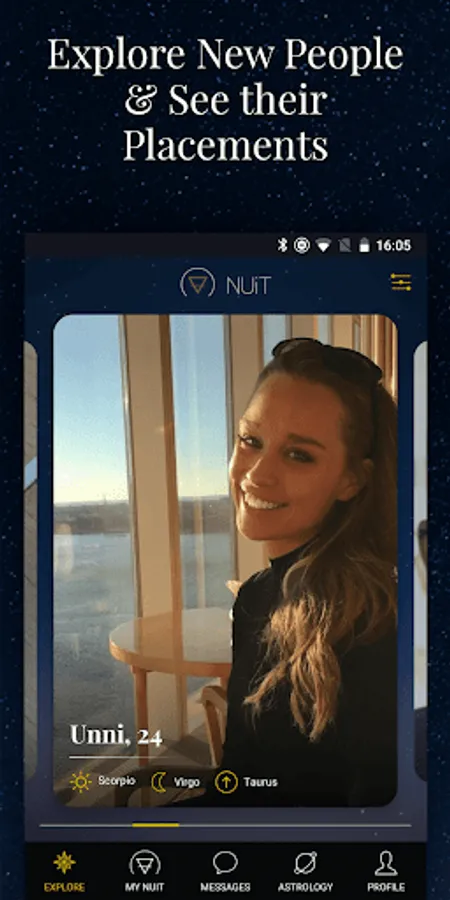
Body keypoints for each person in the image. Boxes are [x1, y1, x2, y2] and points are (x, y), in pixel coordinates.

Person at [183, 337, 398, 807]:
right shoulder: (256, 597)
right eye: (250, 441)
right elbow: (240, 778)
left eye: (299, 454)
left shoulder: (375, 624)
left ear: (352, 480)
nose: (256, 475)